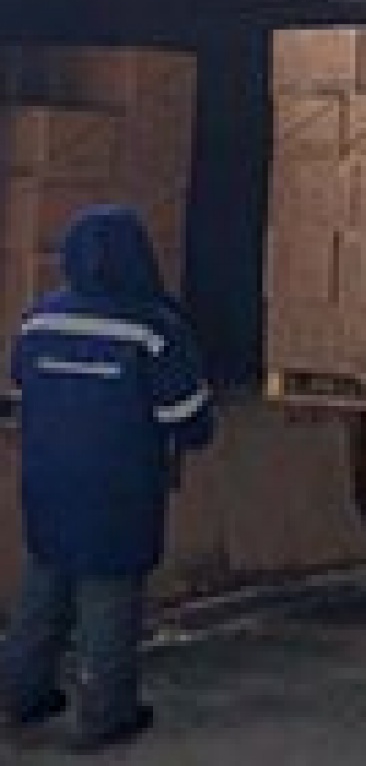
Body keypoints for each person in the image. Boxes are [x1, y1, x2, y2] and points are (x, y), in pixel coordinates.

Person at [0, 206, 214, 752]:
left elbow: (19, 394)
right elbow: (188, 416)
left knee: (42, 588)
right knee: (109, 597)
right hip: (119, 488)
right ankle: (105, 715)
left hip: (47, 481)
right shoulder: (153, 328)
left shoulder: (38, 319)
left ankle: (19, 696)